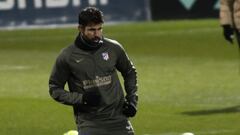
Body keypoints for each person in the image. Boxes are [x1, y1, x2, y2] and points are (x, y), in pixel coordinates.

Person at [49, 7, 138, 135]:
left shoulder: (113, 48)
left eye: (99, 29)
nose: (97, 34)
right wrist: (81, 98)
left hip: (119, 120)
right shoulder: (67, 56)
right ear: (80, 28)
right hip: (90, 123)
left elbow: (130, 72)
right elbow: (54, 88)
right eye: (91, 30)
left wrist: (132, 100)